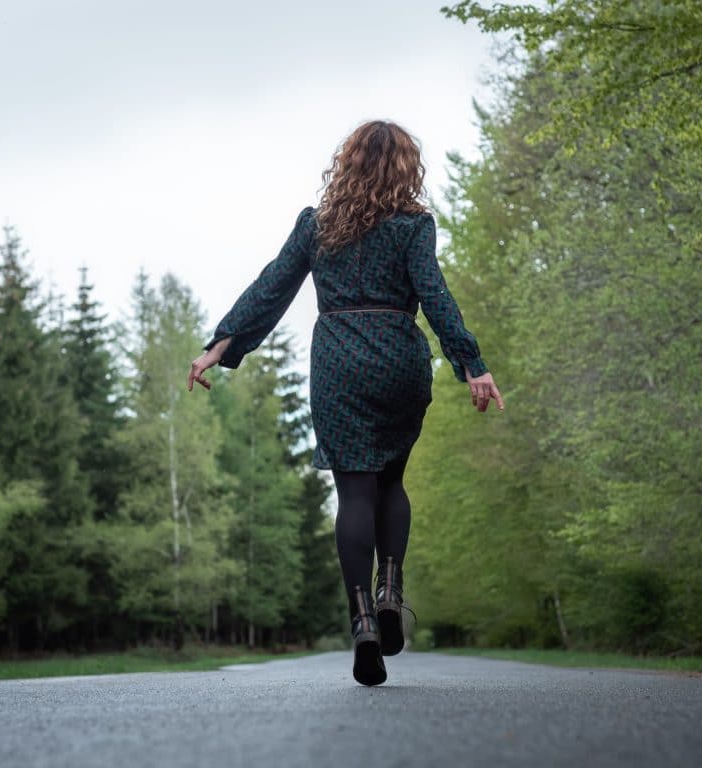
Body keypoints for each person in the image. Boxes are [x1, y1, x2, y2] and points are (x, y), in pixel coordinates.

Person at [187, 119, 503, 686]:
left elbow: (273, 287)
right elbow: (435, 296)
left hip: (338, 363)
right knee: (392, 484)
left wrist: (221, 345)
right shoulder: (414, 226)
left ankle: (361, 620)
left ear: (348, 163)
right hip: (398, 358)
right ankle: (390, 588)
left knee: (354, 491)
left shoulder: (317, 226)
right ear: (407, 169)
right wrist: (471, 364)